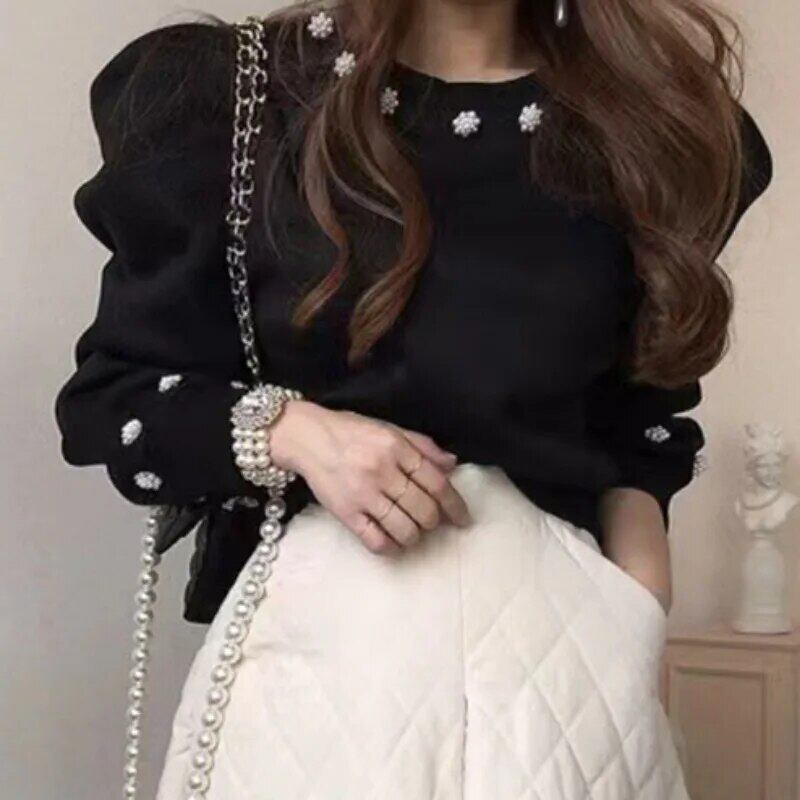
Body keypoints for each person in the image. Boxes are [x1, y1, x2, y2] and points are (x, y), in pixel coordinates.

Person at [55, 1, 773, 797]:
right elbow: (114, 403)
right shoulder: (236, 98)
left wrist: (637, 612)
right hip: (320, 687)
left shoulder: (646, 120)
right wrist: (299, 434)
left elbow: (641, 421)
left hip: (565, 682)